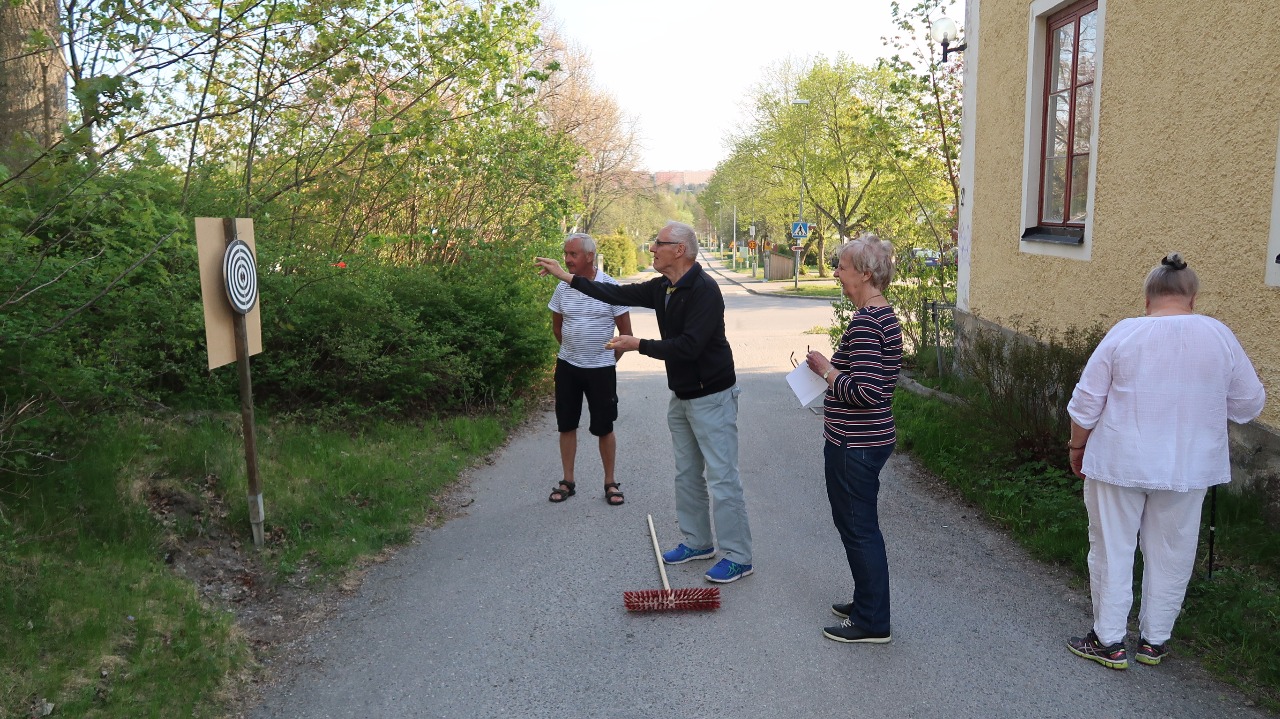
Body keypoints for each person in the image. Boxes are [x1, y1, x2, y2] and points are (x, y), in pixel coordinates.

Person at [1064, 252, 1265, 670]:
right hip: (1188, 466)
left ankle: (1109, 640)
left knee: (1112, 549)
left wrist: (1076, 448)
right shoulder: (1219, 335)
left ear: (1147, 299)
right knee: (1173, 551)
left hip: (1119, 461)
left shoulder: (1125, 333)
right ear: (1192, 299)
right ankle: (1154, 641)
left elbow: (1086, 403)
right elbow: (1249, 404)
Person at [535, 221, 754, 583]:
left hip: (712, 397)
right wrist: (567, 277)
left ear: (679, 250)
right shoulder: (664, 287)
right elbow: (613, 293)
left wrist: (638, 344)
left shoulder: (704, 290)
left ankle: (739, 556)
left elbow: (689, 347)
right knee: (687, 474)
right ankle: (698, 542)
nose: (652, 248)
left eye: (658, 243)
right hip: (682, 395)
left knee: (722, 478)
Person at [804, 235, 902, 644]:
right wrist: (833, 371)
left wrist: (826, 370)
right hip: (869, 439)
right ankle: (866, 601)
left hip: (854, 444)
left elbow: (866, 391)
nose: (836, 273)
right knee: (858, 526)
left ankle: (872, 622)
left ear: (864, 273)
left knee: (859, 529)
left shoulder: (865, 323)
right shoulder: (883, 315)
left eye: (842, 267)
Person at [546, 233, 632, 506]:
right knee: (566, 424)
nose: (567, 259)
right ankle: (567, 481)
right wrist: (574, 352)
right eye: (565, 253)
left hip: (601, 370)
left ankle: (610, 482)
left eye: (573, 254)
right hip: (568, 367)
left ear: (590, 256)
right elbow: (557, 328)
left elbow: (626, 334)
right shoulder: (563, 287)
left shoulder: (610, 287)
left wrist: (605, 360)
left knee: (604, 427)